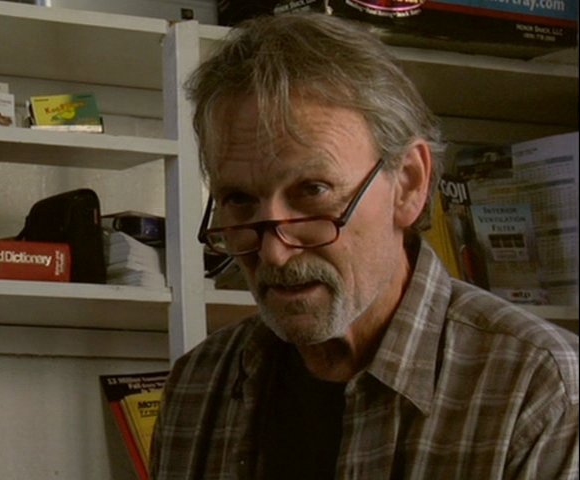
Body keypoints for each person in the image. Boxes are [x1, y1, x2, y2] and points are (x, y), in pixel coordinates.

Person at [149, 12, 579, 480]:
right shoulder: (197, 386)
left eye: (313, 190)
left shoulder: (542, 390)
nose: (274, 254)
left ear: (409, 184)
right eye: (238, 199)